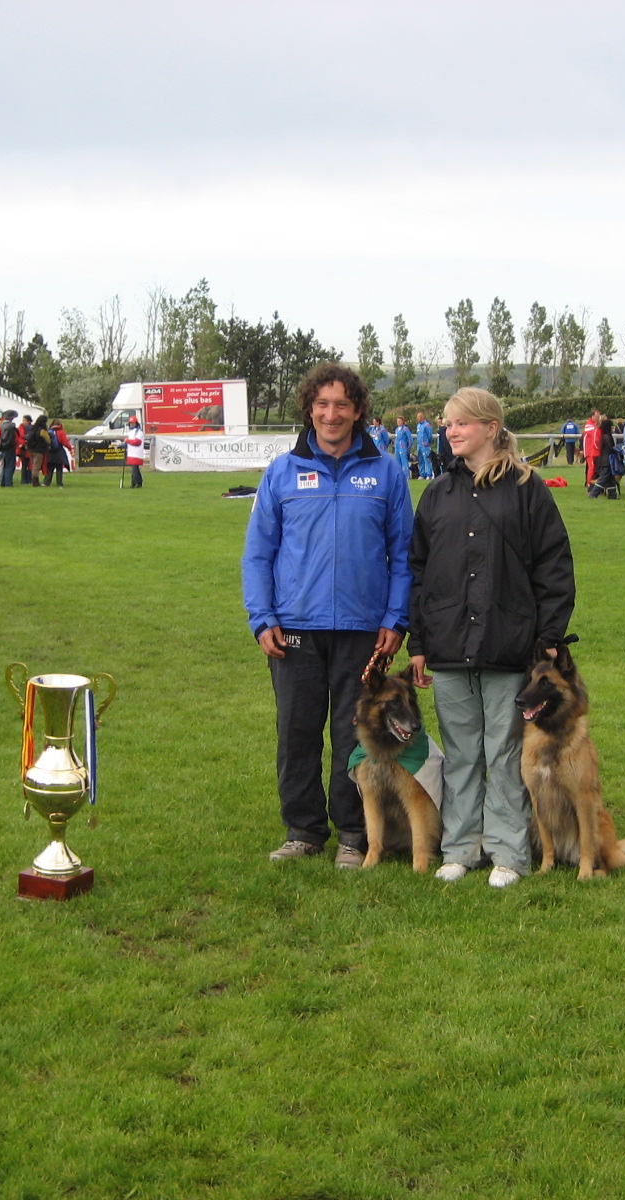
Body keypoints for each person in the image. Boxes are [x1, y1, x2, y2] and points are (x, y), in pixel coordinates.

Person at [241, 363, 413, 869]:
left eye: (341, 404)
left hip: (363, 631)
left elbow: (404, 556)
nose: (331, 414)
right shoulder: (282, 471)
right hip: (294, 628)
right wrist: (262, 617)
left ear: (357, 411)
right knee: (296, 732)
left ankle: (354, 835)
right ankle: (303, 830)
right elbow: (258, 554)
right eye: (322, 404)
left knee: (352, 735)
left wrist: (395, 619)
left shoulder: (386, 471)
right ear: (309, 409)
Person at [408, 388, 574, 889]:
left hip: (509, 643)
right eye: (447, 423)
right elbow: (418, 571)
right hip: (448, 643)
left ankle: (507, 851)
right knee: (460, 753)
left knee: (503, 753)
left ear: (490, 427)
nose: (451, 431)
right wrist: (419, 642)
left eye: (460, 422)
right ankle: (460, 847)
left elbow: (554, 565)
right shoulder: (438, 492)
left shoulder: (528, 489)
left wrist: (548, 637)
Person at [0, 411, 19, 487]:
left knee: (5, 465)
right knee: (10, 465)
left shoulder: (2, 425)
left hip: (4, 448)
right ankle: (8, 483)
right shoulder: (10, 426)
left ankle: (3, 482)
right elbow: (10, 439)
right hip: (9, 448)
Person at [25, 416, 51, 486]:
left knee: (33, 465)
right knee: (37, 466)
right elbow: (48, 440)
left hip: (31, 449)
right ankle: (35, 481)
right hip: (39, 450)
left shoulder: (33, 428)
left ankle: (33, 480)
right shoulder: (42, 430)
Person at [47, 421, 73, 486]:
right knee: (59, 468)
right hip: (59, 451)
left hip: (50, 452)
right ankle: (59, 483)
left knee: (50, 469)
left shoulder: (49, 431)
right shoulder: (61, 432)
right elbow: (65, 442)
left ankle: (46, 482)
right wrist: (70, 448)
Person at [124, 414, 146, 488]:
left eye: (133, 423)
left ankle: (135, 483)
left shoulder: (139, 432)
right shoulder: (130, 432)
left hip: (136, 453)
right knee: (135, 468)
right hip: (131, 453)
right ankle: (138, 482)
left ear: (136, 423)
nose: (131, 424)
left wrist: (127, 441)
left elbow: (137, 442)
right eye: (130, 423)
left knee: (134, 469)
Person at [416, 411, 435, 479]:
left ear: (423, 417)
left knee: (427, 460)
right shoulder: (418, 425)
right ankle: (422, 474)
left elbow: (430, 435)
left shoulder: (427, 425)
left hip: (425, 446)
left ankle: (429, 474)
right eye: (417, 417)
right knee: (420, 460)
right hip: (419, 446)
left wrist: (427, 443)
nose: (418, 418)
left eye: (419, 417)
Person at [17, 414, 35, 485]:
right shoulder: (22, 427)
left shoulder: (25, 428)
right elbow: (21, 436)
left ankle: (28, 480)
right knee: (25, 465)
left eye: (24, 420)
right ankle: (24, 480)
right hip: (24, 449)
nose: (23, 421)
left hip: (27, 448)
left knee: (29, 465)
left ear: (28, 421)